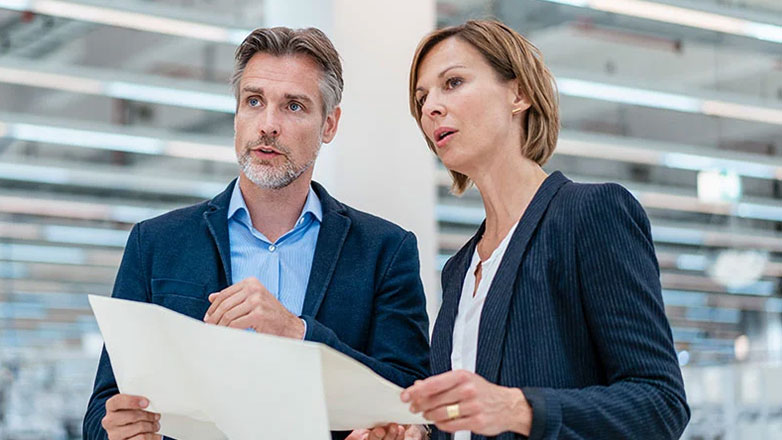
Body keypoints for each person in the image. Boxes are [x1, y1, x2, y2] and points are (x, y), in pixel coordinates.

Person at [83, 26, 431, 440]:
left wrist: (298, 333)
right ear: (236, 115)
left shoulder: (384, 251)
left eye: (294, 106)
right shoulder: (156, 243)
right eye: (254, 101)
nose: (268, 124)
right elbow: (102, 411)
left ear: (329, 124)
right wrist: (117, 432)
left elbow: (414, 400)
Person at [366, 19, 689, 440]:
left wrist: (517, 408)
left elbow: (660, 403)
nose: (430, 108)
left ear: (518, 94)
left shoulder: (590, 214)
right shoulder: (460, 268)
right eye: (422, 98)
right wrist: (420, 434)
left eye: (454, 82)